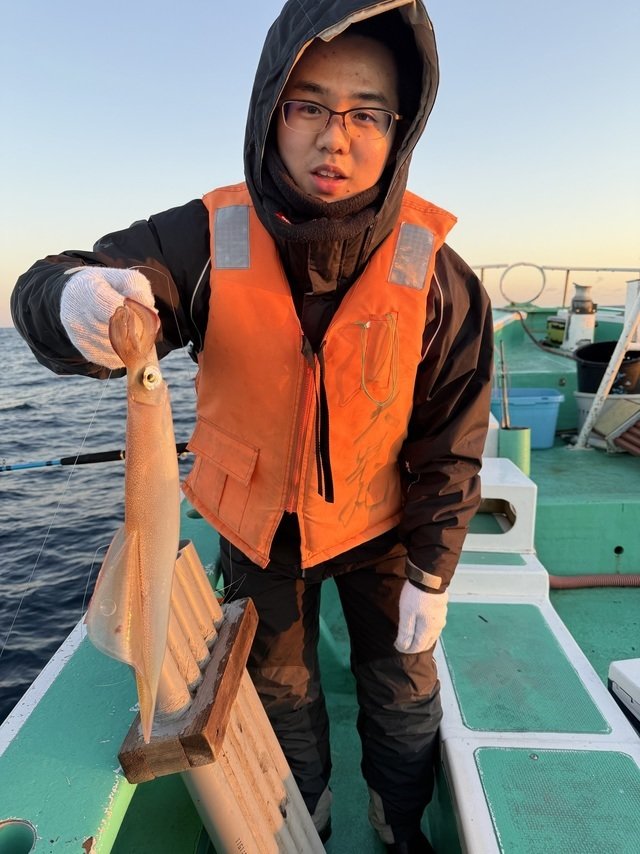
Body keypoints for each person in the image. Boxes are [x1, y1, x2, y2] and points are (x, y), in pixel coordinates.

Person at [12, 1, 493, 851]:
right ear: (271, 108)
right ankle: (304, 820)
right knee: (277, 692)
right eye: (308, 106)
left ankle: (400, 823)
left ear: (401, 127)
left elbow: (452, 441)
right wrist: (73, 303)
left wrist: (433, 569)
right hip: (255, 529)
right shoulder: (205, 237)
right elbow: (56, 281)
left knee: (404, 693)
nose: (334, 138)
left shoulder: (441, 277)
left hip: (382, 528)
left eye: (367, 114)